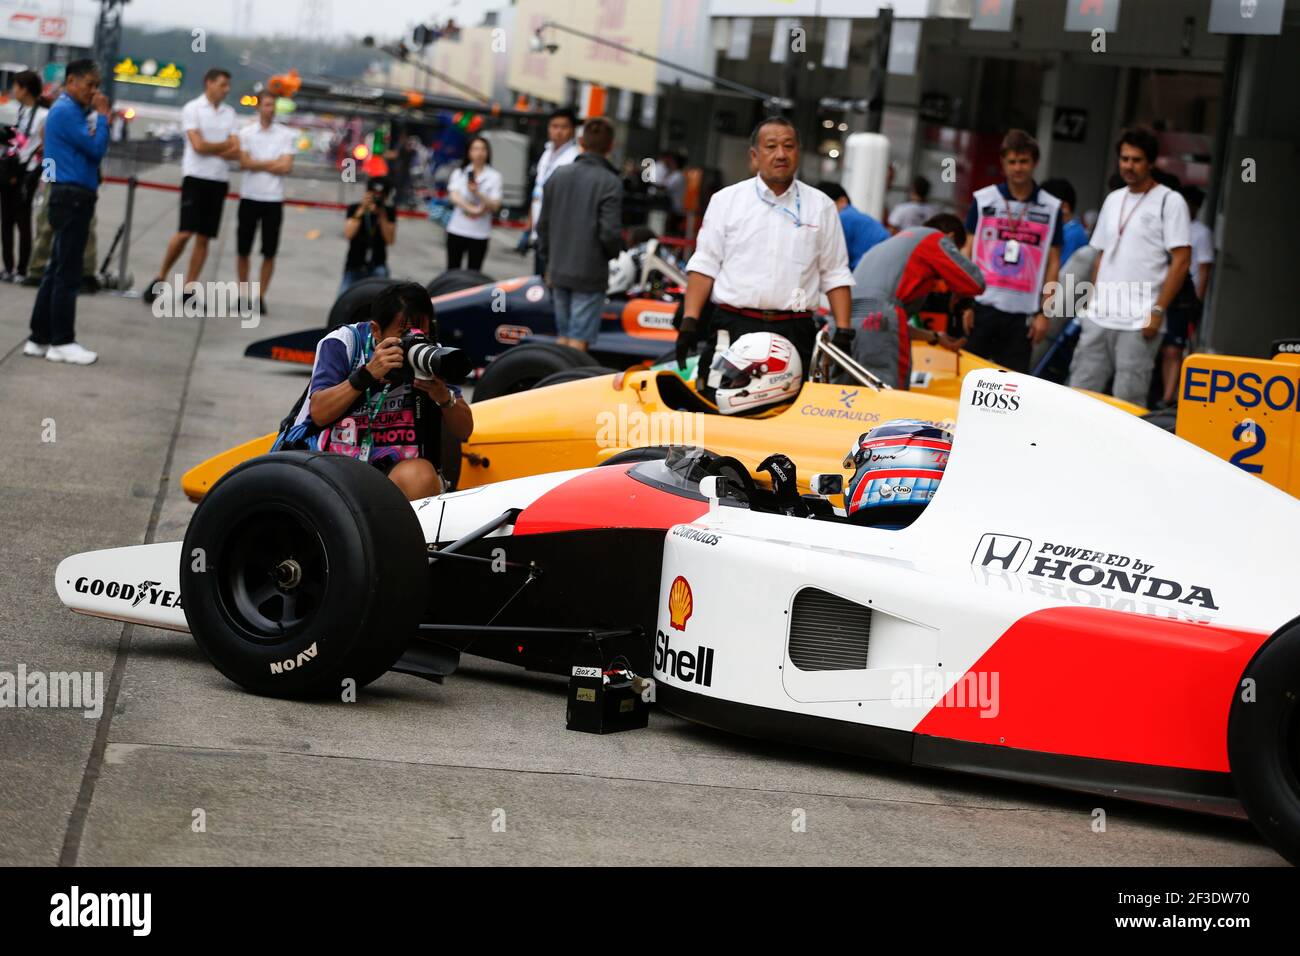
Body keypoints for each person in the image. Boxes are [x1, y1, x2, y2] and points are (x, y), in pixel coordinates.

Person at [676, 117, 855, 400]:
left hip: (795, 331)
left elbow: (835, 272)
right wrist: (689, 321)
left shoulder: (821, 206)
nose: (780, 154)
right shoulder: (726, 201)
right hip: (733, 327)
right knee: (716, 406)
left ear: (798, 152)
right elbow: (705, 264)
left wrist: (844, 330)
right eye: (771, 146)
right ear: (754, 156)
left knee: (788, 419)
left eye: (788, 146)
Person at [299, 281, 473, 500]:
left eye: (422, 334)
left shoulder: (430, 356)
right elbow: (319, 413)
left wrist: (443, 397)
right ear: (376, 330)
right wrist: (367, 374)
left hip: (396, 471)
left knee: (421, 477)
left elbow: (464, 430)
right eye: (404, 335)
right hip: (335, 464)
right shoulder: (344, 344)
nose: (413, 343)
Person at [1068, 126, 1191, 407]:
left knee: (1128, 402)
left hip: (1139, 319)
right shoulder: (1113, 199)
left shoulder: (1170, 202)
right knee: (1079, 397)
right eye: (1124, 159)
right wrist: (1091, 303)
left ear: (1150, 162)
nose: (1129, 166)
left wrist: (1158, 311)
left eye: (1136, 160)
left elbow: (1182, 260)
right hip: (1100, 316)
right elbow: (1101, 255)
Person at [22, 59, 108, 366]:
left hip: (65, 193)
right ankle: (62, 340)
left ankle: (38, 337)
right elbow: (96, 150)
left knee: (55, 269)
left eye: (97, 85)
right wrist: (105, 118)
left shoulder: (61, 110)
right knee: (68, 273)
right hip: (72, 195)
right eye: (89, 84)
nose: (94, 91)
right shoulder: (68, 111)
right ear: (71, 81)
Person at [844, 213, 984, 389]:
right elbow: (975, 283)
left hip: (842, 321)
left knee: (845, 397)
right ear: (951, 237)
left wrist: (935, 338)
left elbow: (885, 323)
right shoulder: (934, 239)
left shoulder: (891, 245)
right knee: (888, 397)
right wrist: (958, 290)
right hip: (877, 325)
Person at [961, 129, 1062, 373]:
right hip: (983, 305)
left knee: (1012, 386)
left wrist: (1044, 313)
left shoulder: (1051, 206)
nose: (1018, 168)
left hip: (1023, 313)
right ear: (1003, 164)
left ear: (1035, 163)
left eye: (1024, 161)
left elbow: (1053, 263)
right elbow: (967, 250)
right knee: (969, 378)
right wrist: (964, 303)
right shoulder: (984, 199)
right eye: (1013, 162)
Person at [143, 69, 239, 305]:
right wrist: (222, 145)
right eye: (222, 85)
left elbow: (236, 149)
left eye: (228, 86)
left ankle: (189, 288)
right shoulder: (193, 108)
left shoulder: (230, 113)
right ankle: (160, 277)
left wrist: (211, 146)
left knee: (204, 238)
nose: (226, 90)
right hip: (196, 177)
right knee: (185, 232)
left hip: (218, 179)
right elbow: (197, 146)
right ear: (209, 83)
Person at [536, 117, 622, 352]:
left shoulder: (558, 175)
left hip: (557, 268)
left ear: (581, 142)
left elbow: (542, 225)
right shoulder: (610, 182)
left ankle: (555, 381)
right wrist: (614, 254)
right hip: (590, 272)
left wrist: (548, 260)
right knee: (578, 341)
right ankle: (569, 382)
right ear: (610, 146)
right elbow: (610, 233)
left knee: (563, 337)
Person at [235, 91, 295, 315]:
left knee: (269, 251)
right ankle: (243, 295)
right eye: (267, 105)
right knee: (243, 249)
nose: (271, 109)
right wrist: (273, 163)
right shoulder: (246, 133)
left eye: (273, 105)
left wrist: (256, 163)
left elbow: (287, 166)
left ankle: (260, 296)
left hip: (273, 199)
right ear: (259, 107)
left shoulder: (285, 134)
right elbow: (243, 162)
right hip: (250, 196)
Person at [1155, 184, 1213, 407]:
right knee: (1163, 346)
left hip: (1184, 299)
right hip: (1162, 293)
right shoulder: (1166, 226)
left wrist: (1197, 301)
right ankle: (1163, 393)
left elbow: (1204, 269)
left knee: (1174, 348)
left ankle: (1169, 397)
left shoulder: (1201, 232)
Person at [521, 107, 579, 277]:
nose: (558, 131)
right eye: (554, 126)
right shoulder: (546, 153)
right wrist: (528, 226)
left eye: (564, 127)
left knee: (550, 281)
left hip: (556, 234)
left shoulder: (573, 158)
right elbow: (537, 192)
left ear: (572, 130)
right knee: (538, 279)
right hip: (538, 230)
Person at [1, 70, 46, 283]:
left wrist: (48, 177)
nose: (13, 91)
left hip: (28, 174)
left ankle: (22, 270)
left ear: (25, 89)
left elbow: (48, 148)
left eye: (16, 86)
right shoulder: (15, 112)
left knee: (23, 221)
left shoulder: (44, 116)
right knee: (6, 221)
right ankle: (8, 267)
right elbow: (10, 141)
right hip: (9, 171)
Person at [445, 135, 502, 272]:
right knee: (453, 269)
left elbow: (495, 204)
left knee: (474, 271)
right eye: (475, 149)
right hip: (457, 229)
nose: (479, 153)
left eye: (483, 149)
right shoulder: (460, 173)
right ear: (469, 152)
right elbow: (454, 196)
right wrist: (474, 209)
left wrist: (477, 193)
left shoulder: (494, 176)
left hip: (480, 233)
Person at [340, 176, 397, 294]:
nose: (377, 198)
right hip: (355, 264)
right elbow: (348, 234)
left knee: (385, 302)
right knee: (343, 299)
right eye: (373, 195)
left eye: (380, 195)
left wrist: (382, 215)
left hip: (378, 265)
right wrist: (361, 210)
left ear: (386, 196)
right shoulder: (355, 208)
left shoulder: (388, 212)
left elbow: (390, 240)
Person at [818, 181, 889, 270]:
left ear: (842, 201)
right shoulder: (854, 215)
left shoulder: (843, 218)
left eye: (825, 205)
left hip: (870, 268)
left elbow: (833, 258)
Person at [1041, 177, 1088, 265]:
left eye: (1045, 206)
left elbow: (1069, 274)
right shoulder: (1070, 230)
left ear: (1064, 207)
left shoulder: (1072, 235)